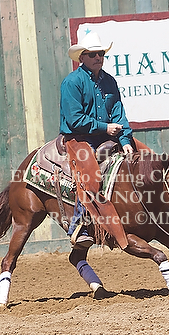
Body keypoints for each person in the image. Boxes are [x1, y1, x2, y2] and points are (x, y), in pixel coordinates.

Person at [60, 31, 134, 249]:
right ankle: (79, 225)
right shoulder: (72, 82)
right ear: (82, 57)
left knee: (139, 157)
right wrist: (105, 127)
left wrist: (125, 139)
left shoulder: (109, 81)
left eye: (100, 54)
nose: (97, 58)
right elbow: (75, 119)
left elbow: (119, 113)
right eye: (92, 54)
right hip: (79, 137)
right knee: (90, 174)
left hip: (107, 134)